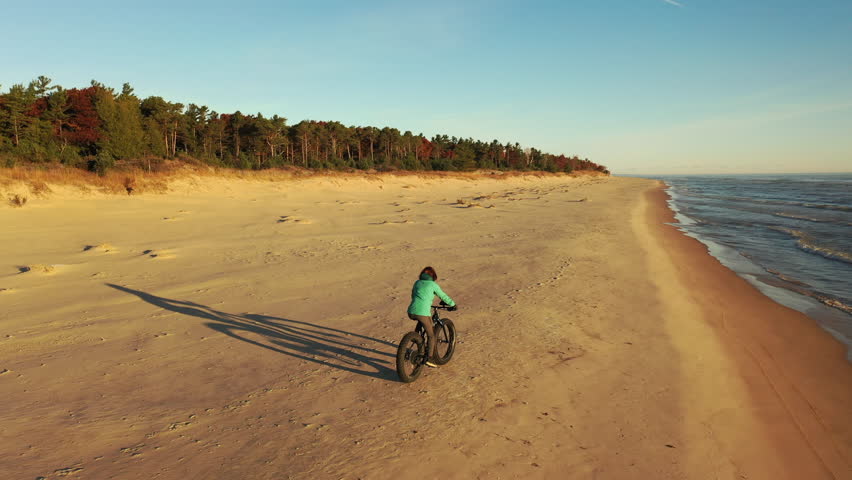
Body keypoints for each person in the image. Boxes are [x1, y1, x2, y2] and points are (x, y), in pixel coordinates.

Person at [407, 266, 457, 367]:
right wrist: (452, 304)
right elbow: (443, 296)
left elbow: (413, 295)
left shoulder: (417, 282)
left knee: (421, 322)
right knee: (431, 335)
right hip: (422, 313)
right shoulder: (433, 285)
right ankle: (428, 358)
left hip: (411, 311)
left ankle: (415, 339)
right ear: (433, 276)